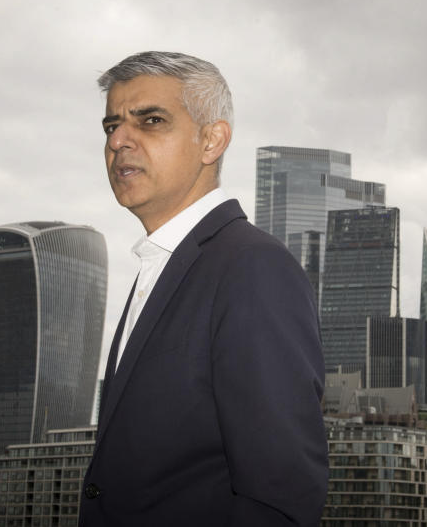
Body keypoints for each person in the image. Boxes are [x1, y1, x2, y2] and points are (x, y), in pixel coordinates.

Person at [79, 51, 328, 526]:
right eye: (111, 125)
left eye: (150, 120)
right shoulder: (163, 267)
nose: (119, 141)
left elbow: (280, 493)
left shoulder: (252, 266)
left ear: (212, 140)